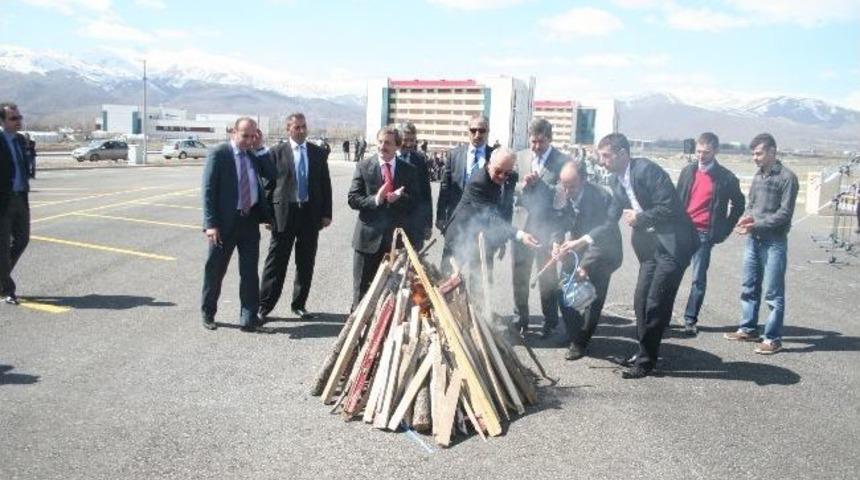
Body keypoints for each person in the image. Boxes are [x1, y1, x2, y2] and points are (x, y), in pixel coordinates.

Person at [597, 133, 698, 379]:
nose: (602, 162)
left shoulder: (647, 171)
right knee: (641, 300)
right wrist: (584, 239)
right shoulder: (617, 179)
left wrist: (639, 218)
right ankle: (643, 351)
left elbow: (669, 207)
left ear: (622, 154)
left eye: (606, 156)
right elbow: (611, 215)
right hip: (651, 248)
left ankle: (646, 361)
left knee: (656, 302)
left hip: (674, 245)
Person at [725, 133, 798, 355]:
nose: (755, 158)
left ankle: (773, 338)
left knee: (774, 292)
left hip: (773, 241)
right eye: (753, 154)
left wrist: (755, 226)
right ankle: (748, 328)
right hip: (753, 240)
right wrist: (745, 219)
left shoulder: (787, 178)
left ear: (772, 152)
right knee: (749, 286)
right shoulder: (759, 176)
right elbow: (751, 205)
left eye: (759, 153)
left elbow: (784, 214)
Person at [201, 117, 275, 332]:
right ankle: (208, 312)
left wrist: (260, 148)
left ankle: (249, 318)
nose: (249, 140)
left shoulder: (253, 153)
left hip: (249, 221)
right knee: (215, 269)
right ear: (233, 132)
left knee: (250, 272)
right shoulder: (219, 154)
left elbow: (272, 175)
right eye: (245, 136)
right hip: (224, 224)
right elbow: (208, 191)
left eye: (253, 136)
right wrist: (211, 224)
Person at [258, 113, 332, 322]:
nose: (301, 131)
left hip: (310, 214)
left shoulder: (317, 153)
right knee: (276, 262)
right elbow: (267, 187)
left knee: (306, 262)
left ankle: (299, 304)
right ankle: (264, 306)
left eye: (303, 127)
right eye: (296, 127)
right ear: (288, 129)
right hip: (284, 215)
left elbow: (324, 184)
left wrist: (326, 213)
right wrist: (266, 215)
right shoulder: (276, 153)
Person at [547, 160, 622, 360]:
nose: (567, 190)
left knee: (592, 299)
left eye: (572, 186)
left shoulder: (601, 197)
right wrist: (556, 243)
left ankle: (580, 343)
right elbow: (558, 220)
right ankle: (573, 333)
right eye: (564, 185)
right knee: (563, 293)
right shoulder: (562, 190)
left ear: (584, 180)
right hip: (575, 247)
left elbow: (605, 233)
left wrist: (585, 266)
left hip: (602, 252)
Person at [676, 132, 745, 336]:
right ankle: (663, 316)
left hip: (705, 234)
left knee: (698, 279)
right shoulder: (687, 172)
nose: (701, 156)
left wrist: (725, 228)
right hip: (683, 231)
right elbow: (678, 199)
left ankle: (690, 319)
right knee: (672, 275)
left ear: (715, 151)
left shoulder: (726, 178)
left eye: (705, 152)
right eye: (698, 151)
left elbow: (739, 204)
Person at [442, 147, 539, 292]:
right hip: (461, 233)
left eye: (507, 172)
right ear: (489, 164)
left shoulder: (510, 177)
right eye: (498, 171)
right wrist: (519, 234)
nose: (502, 176)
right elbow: (491, 218)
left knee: (482, 281)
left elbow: (506, 209)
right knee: (449, 283)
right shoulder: (478, 182)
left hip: (485, 236)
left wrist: (501, 240)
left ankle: (480, 312)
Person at [348, 126, 418, 309]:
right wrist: (376, 200)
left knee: (391, 291)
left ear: (397, 146)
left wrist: (400, 198)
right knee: (362, 290)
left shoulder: (408, 170)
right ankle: (357, 330)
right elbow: (353, 199)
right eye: (380, 141)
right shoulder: (364, 166)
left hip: (395, 242)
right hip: (367, 240)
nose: (382, 146)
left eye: (387, 143)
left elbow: (416, 201)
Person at [512, 118, 568, 337]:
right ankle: (521, 320)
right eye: (533, 141)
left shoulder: (562, 161)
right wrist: (523, 184)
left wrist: (540, 184)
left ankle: (550, 321)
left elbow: (562, 194)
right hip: (522, 227)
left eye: (540, 142)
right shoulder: (521, 157)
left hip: (547, 229)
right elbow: (511, 186)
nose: (535, 147)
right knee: (520, 276)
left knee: (547, 278)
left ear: (550, 139)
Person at [436, 115, 495, 233]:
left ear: (488, 131)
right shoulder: (454, 155)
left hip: (484, 222)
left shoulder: (495, 156)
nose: (477, 134)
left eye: (482, 130)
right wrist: (441, 216)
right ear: (468, 131)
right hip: (457, 219)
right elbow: (445, 188)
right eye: (473, 130)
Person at [0, 102, 32, 305]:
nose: (18, 121)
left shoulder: (21, 140)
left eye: (19, 117)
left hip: (21, 198)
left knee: (22, 239)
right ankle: (8, 289)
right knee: (2, 248)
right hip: (3, 202)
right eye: (13, 118)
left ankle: (2, 278)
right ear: (2, 121)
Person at [397, 122, 433, 250]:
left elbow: (426, 194)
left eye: (412, 140)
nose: (409, 144)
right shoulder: (388, 157)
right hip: (391, 224)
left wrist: (428, 224)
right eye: (405, 140)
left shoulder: (420, 160)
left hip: (414, 224)